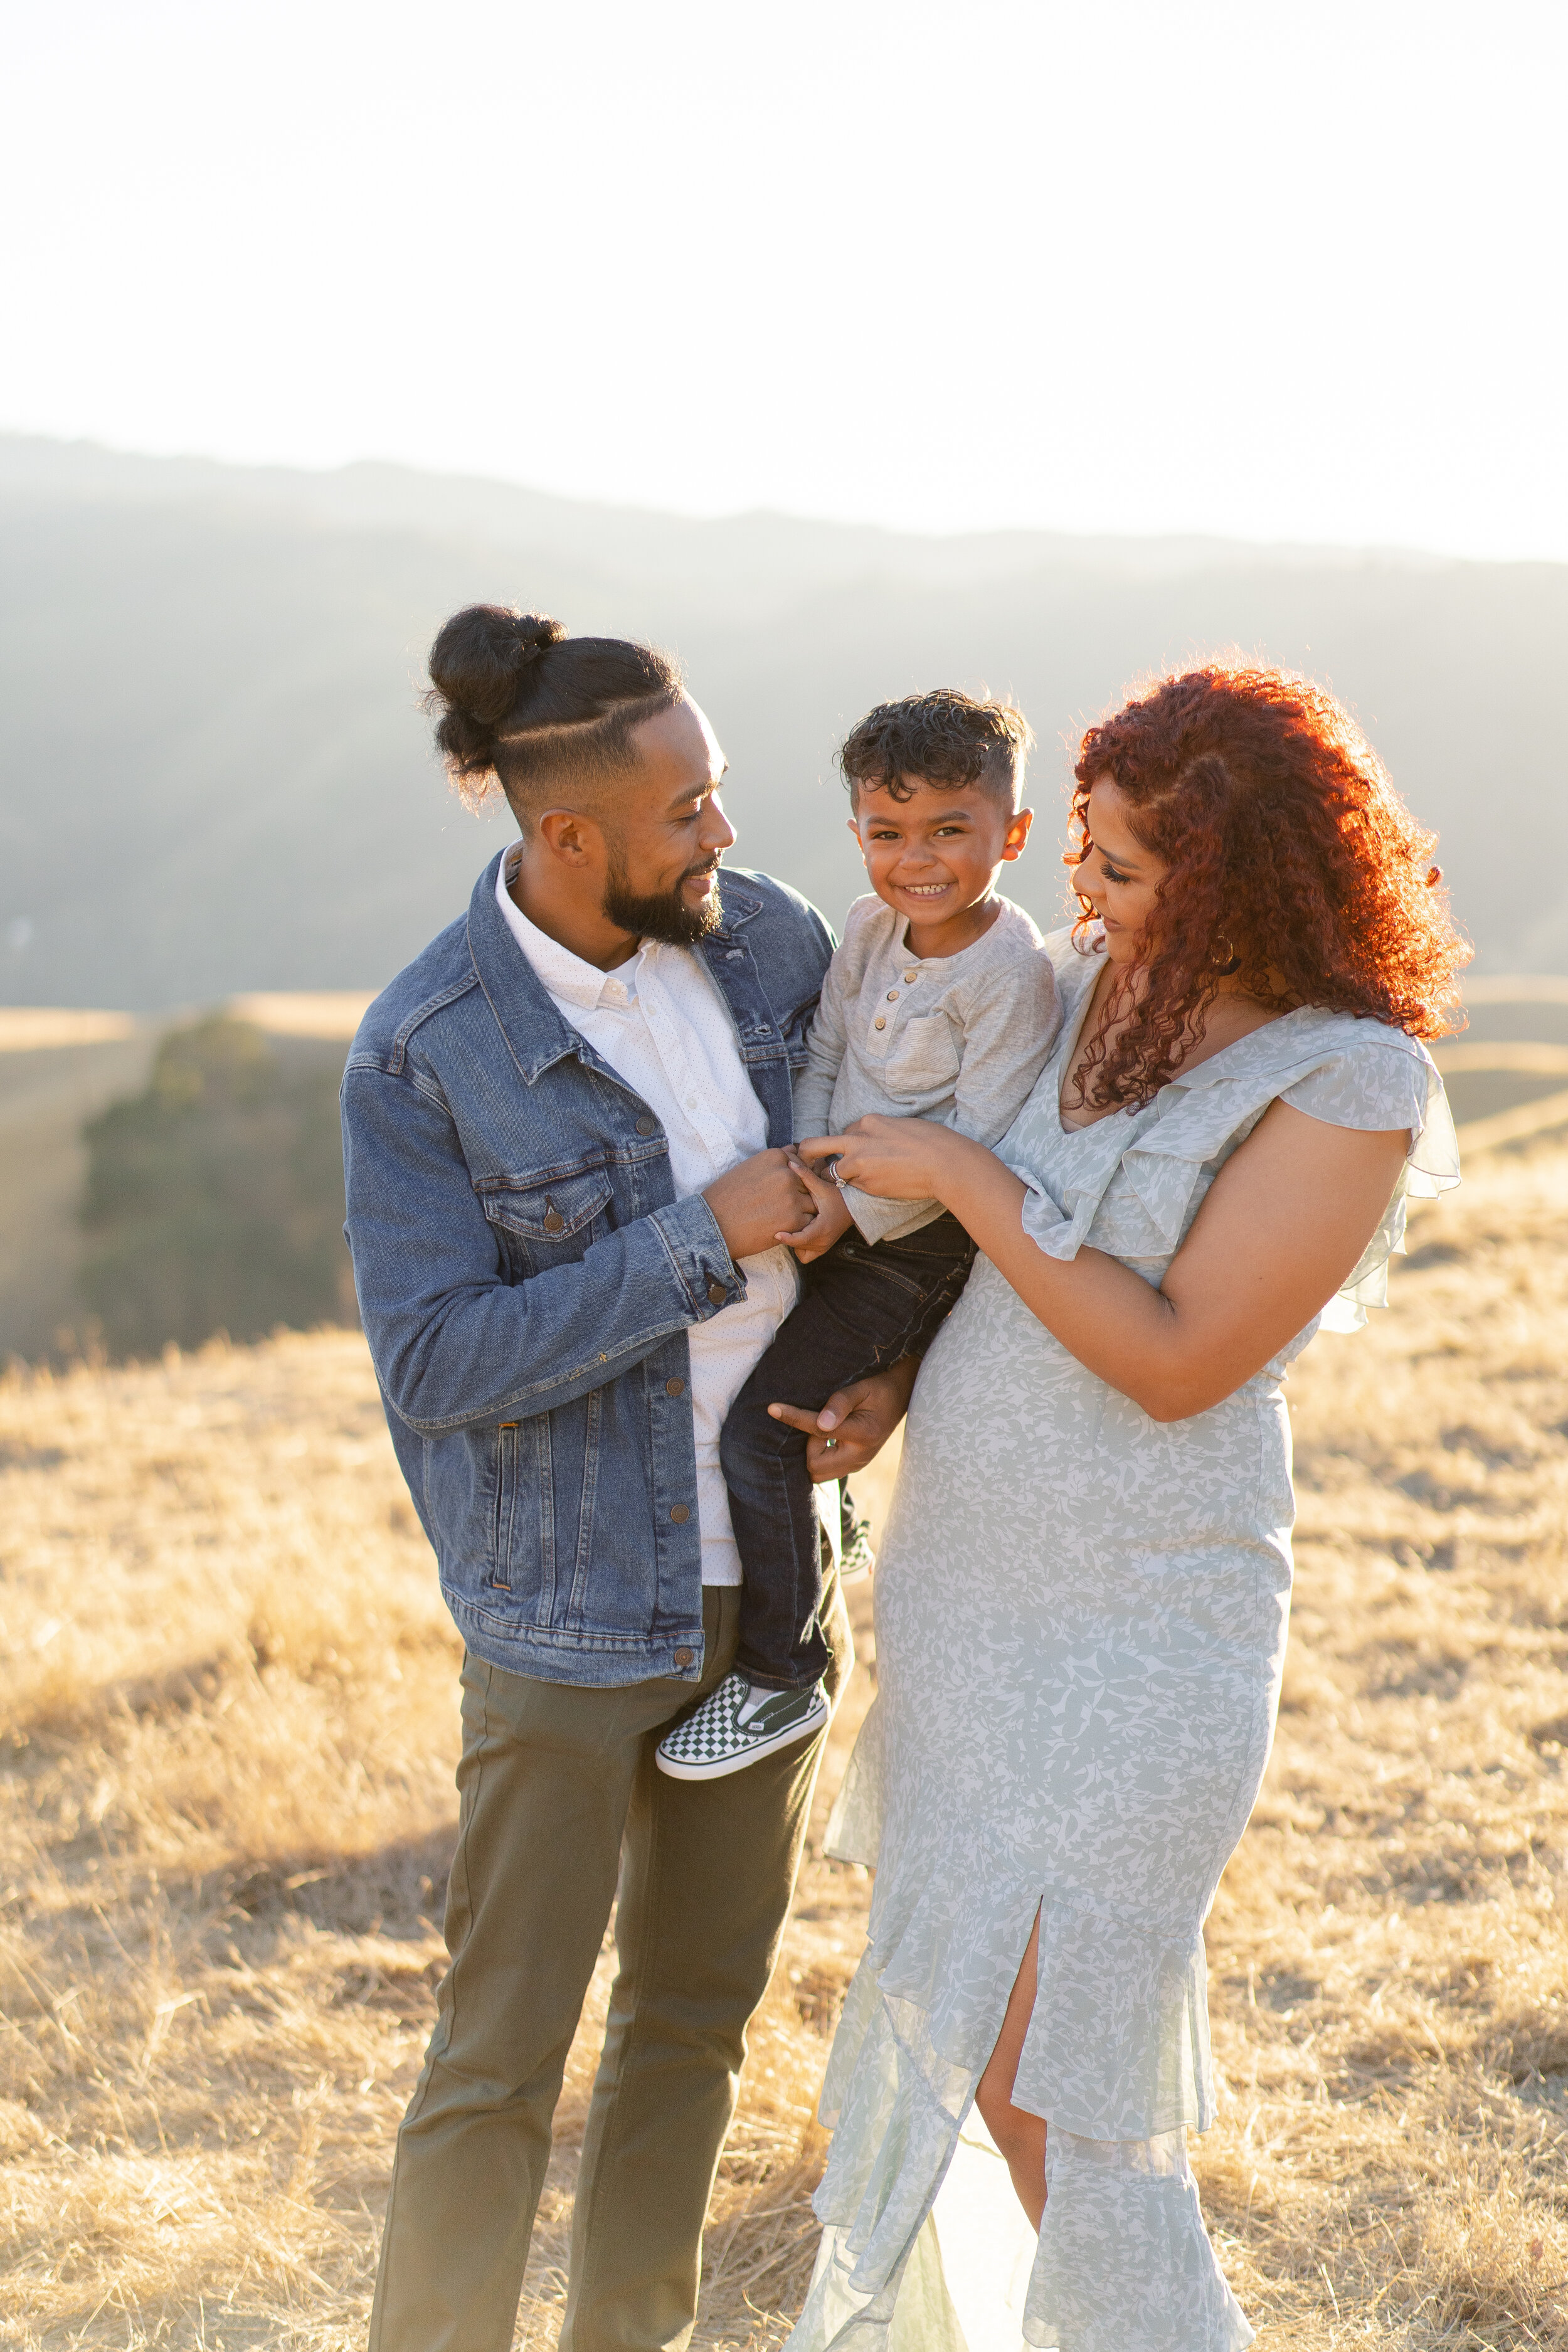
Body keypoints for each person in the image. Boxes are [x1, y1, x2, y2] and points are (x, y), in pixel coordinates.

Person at [769, 665, 1466, 2351]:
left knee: (1073, 2095)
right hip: (964, 1593)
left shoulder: (1345, 1080)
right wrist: (891, 1379)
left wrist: (962, 1178)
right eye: (1077, 852)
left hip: (1145, 1617)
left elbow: (1174, 1357)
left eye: (1123, 868)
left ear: (1250, 873)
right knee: (973, 2055)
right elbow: (994, 1278)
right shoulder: (1090, 988)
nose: (1076, 895)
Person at [340, 604, 905, 2352]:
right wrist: (694, 1240)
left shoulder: (768, 949)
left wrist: (880, 1362)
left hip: (775, 1572)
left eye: (719, 792)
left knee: (691, 2022)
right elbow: (434, 1364)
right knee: (500, 2051)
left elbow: (878, 1191)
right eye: (687, 812)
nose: (725, 836)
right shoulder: (426, 1048)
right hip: (568, 1607)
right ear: (566, 836)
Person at [657, 689, 1060, 1781]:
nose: (915, 861)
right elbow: (827, 1049)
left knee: (762, 1431)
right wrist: (807, 1168)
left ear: (1010, 835)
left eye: (949, 832)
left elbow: (981, 1144)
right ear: (858, 834)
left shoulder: (1009, 976)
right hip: (838, 1205)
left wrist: (858, 1213)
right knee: (774, 1374)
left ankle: (784, 1674)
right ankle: (814, 1558)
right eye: (889, 833)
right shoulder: (869, 928)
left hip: (924, 1245)